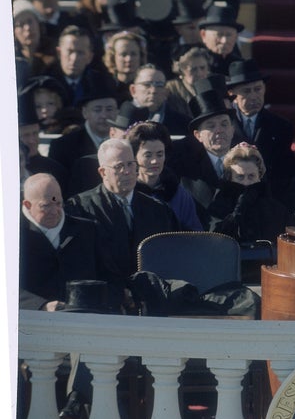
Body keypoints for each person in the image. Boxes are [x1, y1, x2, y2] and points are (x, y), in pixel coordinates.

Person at [65, 138, 179, 291]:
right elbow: (83, 264)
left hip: (153, 295)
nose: (127, 171)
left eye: (130, 164)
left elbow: (168, 257)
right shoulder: (81, 208)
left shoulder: (158, 210)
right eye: (119, 166)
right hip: (105, 297)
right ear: (103, 172)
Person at [19, 173, 100, 311]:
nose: (54, 211)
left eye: (58, 203)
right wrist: (41, 305)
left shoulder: (87, 230)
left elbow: (107, 275)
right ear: (27, 205)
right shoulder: (12, 236)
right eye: (45, 206)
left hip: (82, 319)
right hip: (31, 321)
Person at [168, 78, 238, 228]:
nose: (219, 130)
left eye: (224, 124)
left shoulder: (247, 159)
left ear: (232, 129)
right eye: (211, 126)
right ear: (198, 135)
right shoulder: (183, 169)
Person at [225, 60, 295, 200]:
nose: (253, 96)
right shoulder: (223, 124)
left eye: (257, 89)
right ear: (232, 93)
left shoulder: (281, 126)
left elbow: (284, 173)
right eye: (246, 91)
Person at [209, 143, 293, 245]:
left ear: (260, 176)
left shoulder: (277, 211)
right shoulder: (218, 208)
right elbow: (214, 241)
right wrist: (237, 213)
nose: (246, 182)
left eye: (251, 176)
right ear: (230, 178)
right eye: (240, 177)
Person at [126, 121, 203, 231]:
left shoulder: (178, 194)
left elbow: (195, 234)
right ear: (134, 156)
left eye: (159, 154)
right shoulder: (127, 193)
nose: (154, 161)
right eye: (148, 155)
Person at [47, 81, 119, 175]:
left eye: (109, 109)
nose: (104, 115)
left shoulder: (125, 141)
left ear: (117, 112)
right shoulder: (62, 146)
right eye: (97, 110)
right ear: (85, 112)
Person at [43, 25, 115, 108]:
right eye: (70, 51)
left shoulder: (100, 83)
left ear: (89, 57)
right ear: (59, 53)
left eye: (80, 53)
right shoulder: (46, 82)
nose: (74, 59)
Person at [123, 64, 190, 135]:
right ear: (133, 90)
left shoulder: (183, 123)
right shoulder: (118, 119)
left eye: (159, 85)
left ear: (166, 92)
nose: (153, 90)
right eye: (147, 84)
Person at [165, 45, 211, 118]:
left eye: (203, 68)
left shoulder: (214, 84)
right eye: (193, 69)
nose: (199, 73)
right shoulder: (171, 88)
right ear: (181, 71)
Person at [198, 4, 244, 75]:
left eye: (229, 35)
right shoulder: (195, 65)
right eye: (219, 35)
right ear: (203, 35)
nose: (224, 41)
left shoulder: (240, 66)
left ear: (236, 37)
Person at [102, 31, 147, 103]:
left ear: (140, 56)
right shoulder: (103, 87)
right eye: (123, 54)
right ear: (113, 57)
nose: (129, 59)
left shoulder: (147, 87)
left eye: (133, 54)